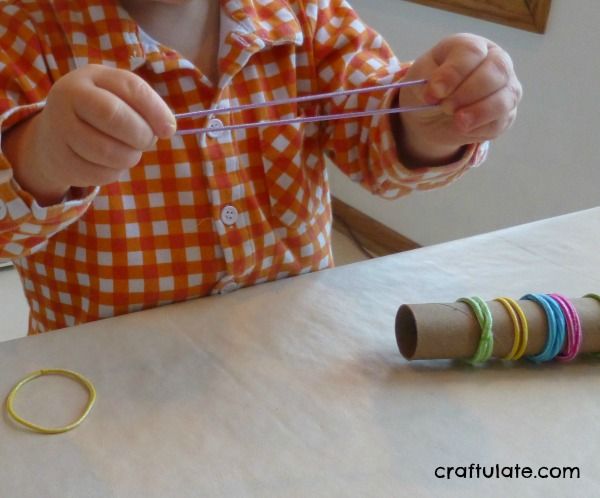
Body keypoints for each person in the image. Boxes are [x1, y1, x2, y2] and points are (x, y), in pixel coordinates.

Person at [0, 0, 521, 334]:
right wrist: (40, 155)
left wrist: (423, 123)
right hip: (106, 380)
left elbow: (373, 142)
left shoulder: (305, 13)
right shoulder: (21, 30)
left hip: (289, 347)